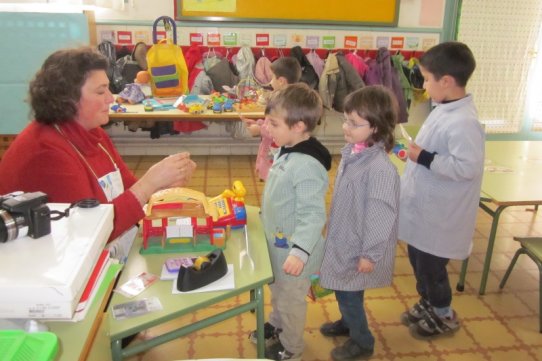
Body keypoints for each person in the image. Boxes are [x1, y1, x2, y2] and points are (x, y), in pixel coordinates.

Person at [0, 46, 196, 259]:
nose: (111, 98)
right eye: (101, 91)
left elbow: (128, 189)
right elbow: (91, 234)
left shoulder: (92, 132)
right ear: (68, 98)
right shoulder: (45, 152)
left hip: (105, 250)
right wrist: (149, 184)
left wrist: (163, 183)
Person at [398, 41, 484, 338]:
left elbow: (466, 168)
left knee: (432, 268)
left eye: (426, 79)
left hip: (441, 216)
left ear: (445, 82)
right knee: (419, 261)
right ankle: (428, 302)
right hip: (426, 209)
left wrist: (422, 156)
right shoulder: (444, 108)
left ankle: (443, 312)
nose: (423, 84)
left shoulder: (464, 122)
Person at [249, 83, 331, 361]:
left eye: (273, 123)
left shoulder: (307, 165)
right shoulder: (288, 147)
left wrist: (300, 251)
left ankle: (292, 347)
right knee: (278, 290)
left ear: (297, 126)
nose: (268, 128)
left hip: (296, 253)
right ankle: (277, 324)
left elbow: (312, 215)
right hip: (278, 244)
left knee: (291, 300)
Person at [318, 86, 401, 361]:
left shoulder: (379, 168)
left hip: (360, 246)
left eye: (354, 123)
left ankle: (362, 340)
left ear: (376, 128)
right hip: (345, 236)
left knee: (349, 291)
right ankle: (347, 321)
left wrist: (370, 253)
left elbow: (381, 214)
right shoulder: (355, 152)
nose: (345, 127)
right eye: (346, 120)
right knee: (343, 289)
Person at [241, 56, 302, 181]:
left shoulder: (285, 103)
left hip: (277, 158)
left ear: (281, 81)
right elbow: (272, 123)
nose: (270, 81)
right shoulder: (283, 98)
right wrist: (258, 123)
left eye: (273, 77)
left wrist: (259, 130)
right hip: (273, 154)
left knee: (275, 186)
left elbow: (280, 130)